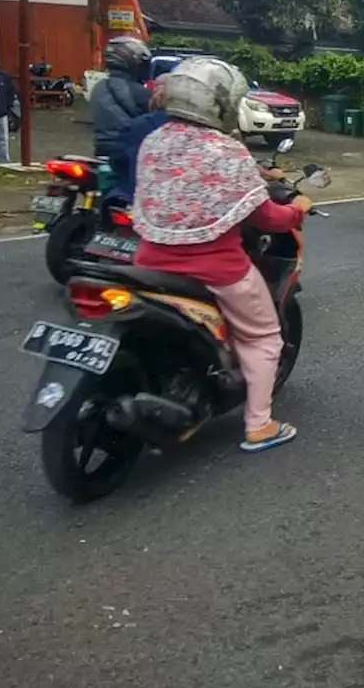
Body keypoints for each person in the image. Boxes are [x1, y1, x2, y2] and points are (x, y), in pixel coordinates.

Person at [131, 58, 311, 453]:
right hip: (215, 269)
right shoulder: (227, 151)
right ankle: (260, 425)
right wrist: (298, 209)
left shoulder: (154, 141)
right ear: (222, 103)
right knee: (264, 336)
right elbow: (266, 216)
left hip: (147, 263)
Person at [92, 36, 153, 159]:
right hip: (130, 151)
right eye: (143, 62)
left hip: (101, 149)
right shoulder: (139, 92)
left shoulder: (98, 87)